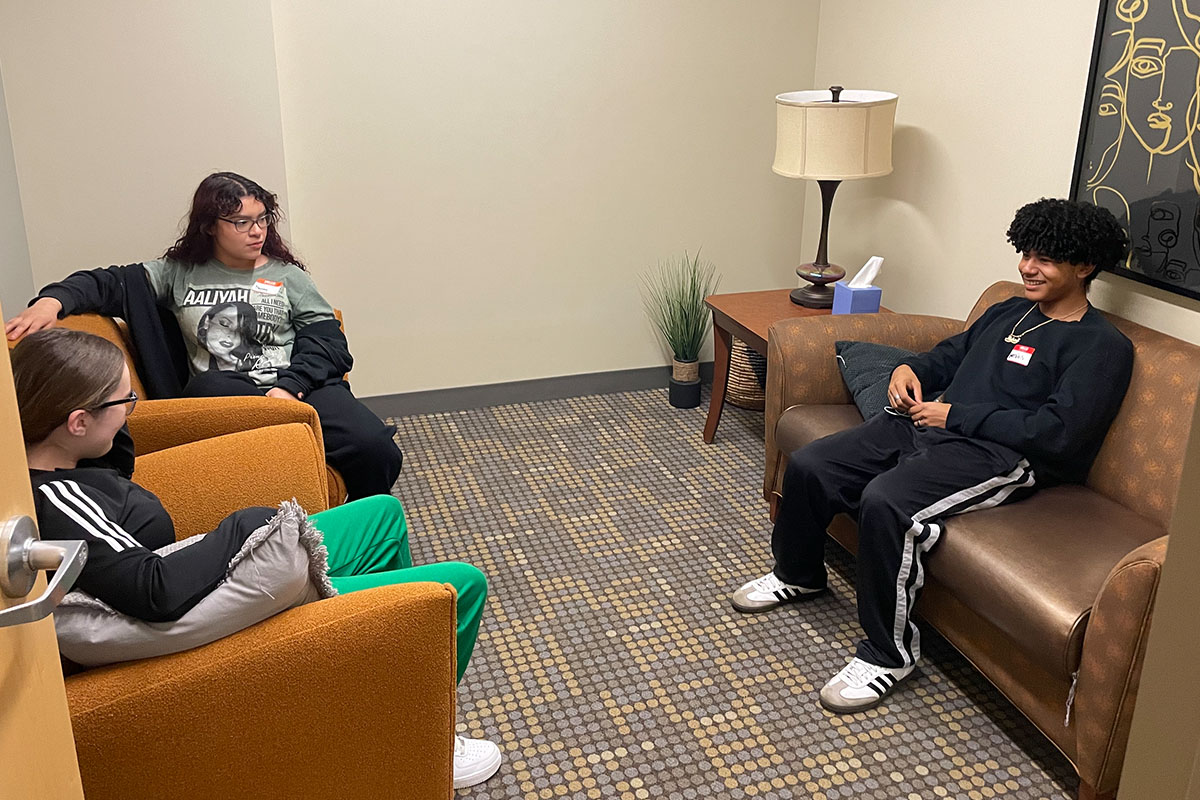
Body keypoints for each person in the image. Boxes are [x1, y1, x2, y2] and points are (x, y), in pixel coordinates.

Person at [13, 328, 500, 790]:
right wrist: (245, 525)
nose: (132, 412)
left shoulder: (67, 461)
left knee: (382, 515)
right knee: (462, 584)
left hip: (190, 565)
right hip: (211, 601)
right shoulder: (59, 501)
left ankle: (386, 661)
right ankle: (423, 737)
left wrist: (108, 423)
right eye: (125, 402)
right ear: (77, 422)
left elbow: (114, 472)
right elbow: (152, 590)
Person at [731, 198, 1134, 714]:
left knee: (887, 502)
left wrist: (956, 416)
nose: (1027, 268)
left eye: (1046, 260)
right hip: (929, 422)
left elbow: (1058, 433)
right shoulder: (1011, 310)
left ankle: (888, 654)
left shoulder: (1101, 347)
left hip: (998, 455)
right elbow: (952, 353)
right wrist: (912, 370)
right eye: (1026, 253)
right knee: (812, 464)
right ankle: (798, 574)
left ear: (1084, 267)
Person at [4, 171, 402, 502]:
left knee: (375, 447)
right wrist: (52, 302)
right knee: (217, 389)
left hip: (297, 389)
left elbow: (327, 339)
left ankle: (367, 536)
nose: (256, 231)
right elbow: (106, 283)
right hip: (224, 394)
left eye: (263, 219)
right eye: (242, 222)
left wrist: (291, 387)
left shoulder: (287, 276)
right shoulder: (178, 274)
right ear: (210, 225)